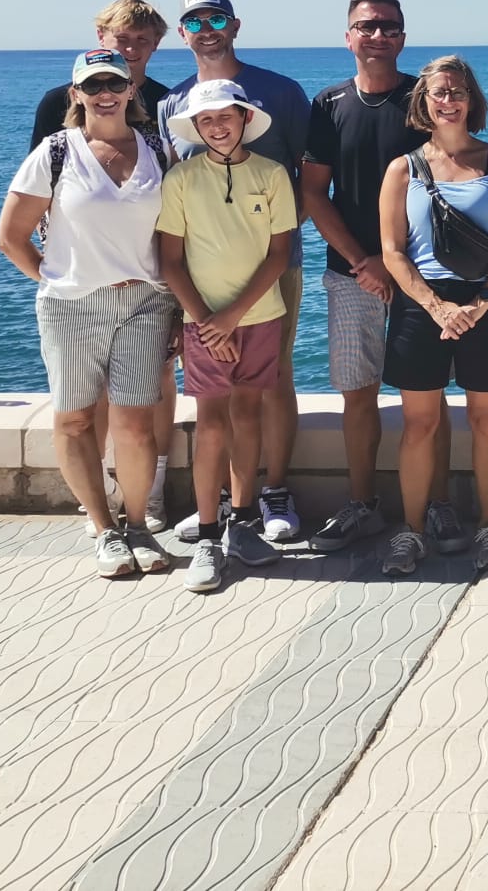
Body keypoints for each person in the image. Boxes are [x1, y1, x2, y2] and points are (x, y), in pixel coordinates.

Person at [300, 0, 469, 556]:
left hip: (423, 277)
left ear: (402, 36)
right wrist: (362, 262)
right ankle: (362, 503)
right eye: (366, 27)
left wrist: (399, 268)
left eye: (388, 27)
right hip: (350, 276)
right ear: (348, 36)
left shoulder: (423, 102)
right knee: (357, 393)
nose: (377, 36)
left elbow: (447, 179)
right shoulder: (327, 105)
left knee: (428, 397)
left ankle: (438, 504)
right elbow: (314, 194)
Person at [0, 50, 175, 578]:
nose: (105, 92)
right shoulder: (55, 153)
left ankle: (138, 524)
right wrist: (58, 281)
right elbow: (11, 238)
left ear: (129, 91)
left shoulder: (158, 152)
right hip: (71, 305)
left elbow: (172, 238)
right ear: (75, 94)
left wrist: (182, 311)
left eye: (114, 83)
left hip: (145, 302)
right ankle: (103, 529)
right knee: (75, 419)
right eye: (92, 83)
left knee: (135, 424)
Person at [158, 0, 311, 545]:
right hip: (201, 279)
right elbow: (174, 196)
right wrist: (198, 313)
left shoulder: (283, 92)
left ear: (235, 24)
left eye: (216, 17)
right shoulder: (171, 102)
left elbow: (299, 173)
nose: (207, 28)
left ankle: (270, 491)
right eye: (194, 21)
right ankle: (219, 503)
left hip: (272, 269)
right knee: (216, 405)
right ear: (183, 32)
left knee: (275, 382)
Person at [26, 0, 177, 529]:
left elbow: (172, 205)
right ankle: (104, 502)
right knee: (84, 406)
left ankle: (148, 490)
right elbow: (41, 194)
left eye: (141, 42)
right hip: (78, 280)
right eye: (121, 40)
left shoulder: (165, 106)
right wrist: (58, 271)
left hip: (147, 286)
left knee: (153, 388)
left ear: (155, 49)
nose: (130, 51)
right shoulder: (55, 107)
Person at [376, 56, 488, 576]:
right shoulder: (403, 169)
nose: (449, 101)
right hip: (424, 307)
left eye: (458, 91)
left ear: (472, 99)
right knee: (419, 425)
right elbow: (393, 251)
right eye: (439, 92)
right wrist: (436, 305)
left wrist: (482, 301)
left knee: (487, 421)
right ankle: (411, 531)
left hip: (487, 300)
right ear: (423, 101)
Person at [155, 81, 297, 594]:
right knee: (211, 424)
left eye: (225, 117)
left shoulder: (272, 174)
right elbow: (170, 260)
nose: (217, 127)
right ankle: (209, 536)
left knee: (248, 415)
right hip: (203, 322)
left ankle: (242, 523)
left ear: (243, 117)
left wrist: (233, 317)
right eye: (206, 120)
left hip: (259, 316)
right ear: (196, 127)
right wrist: (205, 320)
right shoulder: (181, 180)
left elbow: (279, 255)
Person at [30, 0, 172, 150]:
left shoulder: (167, 103)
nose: (131, 48)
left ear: (156, 42)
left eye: (142, 39)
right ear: (100, 36)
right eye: (122, 38)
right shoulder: (56, 103)